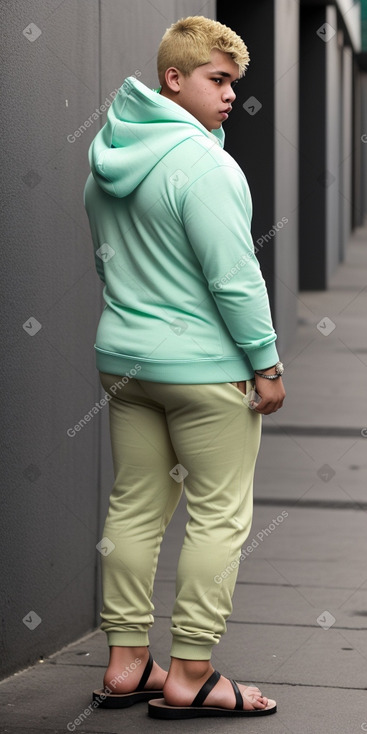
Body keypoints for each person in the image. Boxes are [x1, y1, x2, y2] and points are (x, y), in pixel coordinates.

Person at [83, 14, 285, 720]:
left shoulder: (104, 159)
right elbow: (234, 277)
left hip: (125, 362)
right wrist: (265, 362)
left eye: (234, 83)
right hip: (204, 371)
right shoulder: (204, 165)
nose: (230, 95)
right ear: (174, 78)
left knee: (133, 506)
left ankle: (127, 663)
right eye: (217, 79)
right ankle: (192, 673)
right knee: (219, 516)